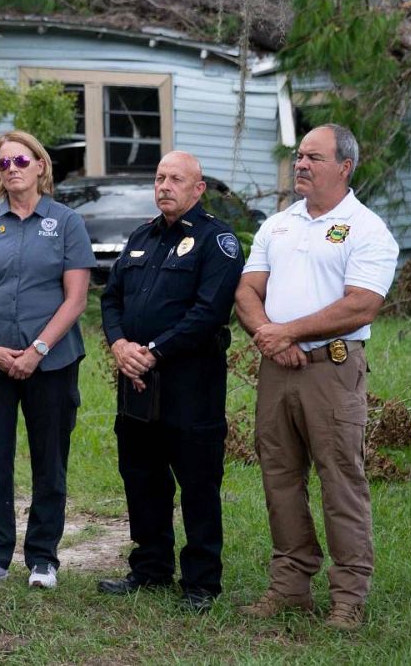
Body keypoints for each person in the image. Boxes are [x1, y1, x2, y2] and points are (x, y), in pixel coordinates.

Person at [235, 124, 399, 631]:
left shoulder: (366, 228)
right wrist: (271, 337)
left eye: (313, 157)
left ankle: (348, 596)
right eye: (299, 156)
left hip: (332, 369)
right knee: (280, 476)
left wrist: (288, 332)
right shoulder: (278, 225)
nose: (300, 164)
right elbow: (246, 290)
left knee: (340, 479)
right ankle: (290, 586)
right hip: (277, 369)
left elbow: (361, 305)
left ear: (344, 167)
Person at [96, 151, 243, 613]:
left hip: (190, 383)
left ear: (198, 189)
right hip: (137, 382)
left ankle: (201, 583)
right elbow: (111, 299)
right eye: (160, 178)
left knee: (198, 482)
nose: (164, 186)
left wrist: (154, 351)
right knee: (142, 476)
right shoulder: (142, 237)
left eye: (175, 179)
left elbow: (209, 312)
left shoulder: (216, 240)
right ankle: (150, 568)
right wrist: (120, 345)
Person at [0, 130, 95, 590]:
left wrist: (37, 351)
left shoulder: (67, 223)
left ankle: (43, 559)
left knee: (49, 460)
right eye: (3, 163)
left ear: (40, 165)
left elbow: (76, 299)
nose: (11, 169)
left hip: (51, 364)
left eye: (20, 161)